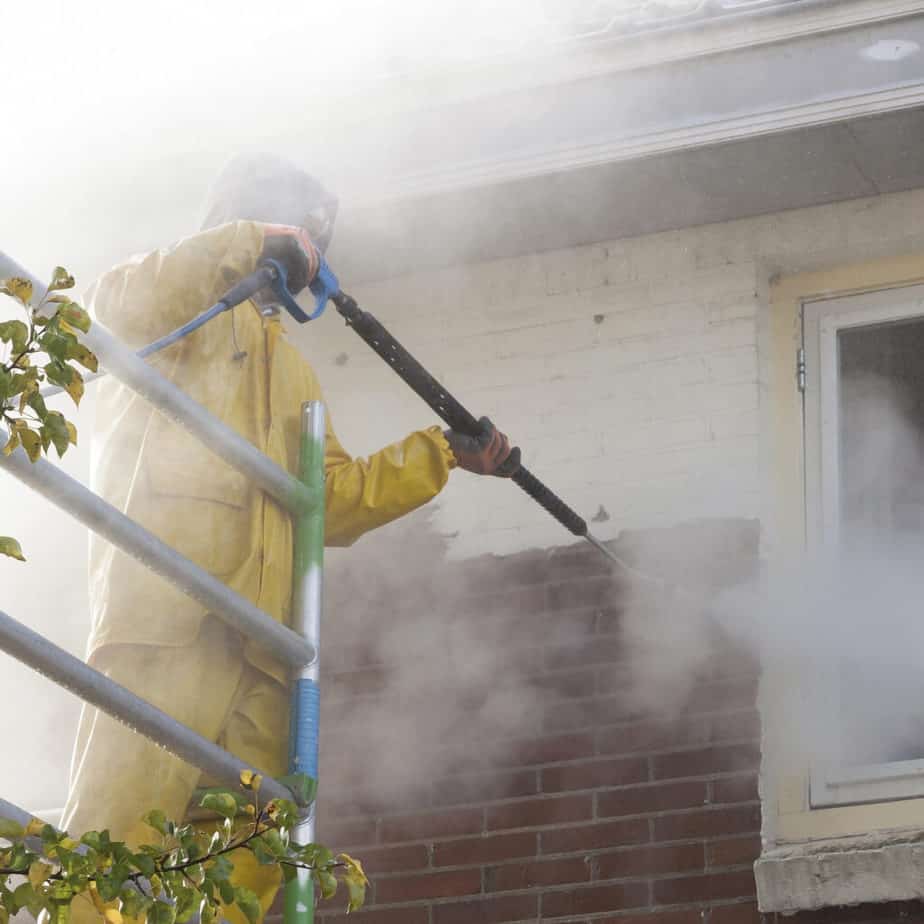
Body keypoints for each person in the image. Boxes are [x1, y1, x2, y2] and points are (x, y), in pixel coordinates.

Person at [61, 153, 513, 924]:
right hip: (168, 623)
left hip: (261, 653)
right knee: (116, 834)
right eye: (301, 234)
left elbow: (327, 500)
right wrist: (246, 242)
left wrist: (440, 454)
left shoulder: (293, 373)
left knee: (250, 859)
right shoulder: (177, 309)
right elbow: (112, 308)